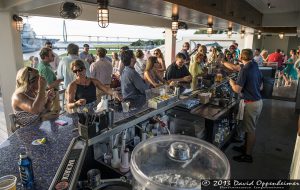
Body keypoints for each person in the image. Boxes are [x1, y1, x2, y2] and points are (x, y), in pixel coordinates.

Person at [226, 49, 263, 163]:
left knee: (250, 130)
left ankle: (248, 155)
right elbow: (261, 85)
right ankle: (245, 148)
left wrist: (231, 81)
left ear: (241, 57)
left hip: (251, 104)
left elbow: (237, 89)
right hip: (258, 102)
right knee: (249, 129)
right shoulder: (254, 65)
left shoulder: (245, 70)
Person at [37, 47, 63, 115]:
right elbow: (49, 85)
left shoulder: (42, 65)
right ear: (45, 57)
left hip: (49, 95)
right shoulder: (45, 68)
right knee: (54, 115)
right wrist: (61, 79)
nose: (54, 56)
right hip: (51, 96)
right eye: (52, 55)